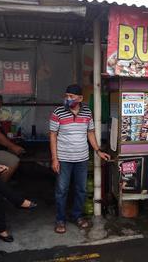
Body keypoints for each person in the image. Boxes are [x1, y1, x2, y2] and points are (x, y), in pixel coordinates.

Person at [50, 84, 110, 234]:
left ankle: (77, 216)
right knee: (62, 190)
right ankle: (60, 220)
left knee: (81, 190)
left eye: (71, 96)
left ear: (80, 98)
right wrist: (54, 159)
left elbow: (90, 133)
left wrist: (98, 151)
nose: (67, 98)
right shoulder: (58, 112)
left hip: (82, 158)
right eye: (66, 96)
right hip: (63, 158)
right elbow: (53, 136)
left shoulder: (87, 112)